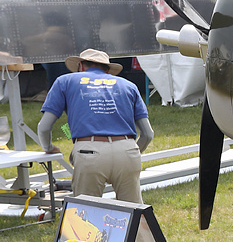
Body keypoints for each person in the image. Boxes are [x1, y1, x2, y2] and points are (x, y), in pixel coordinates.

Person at [39, 47, 153, 204]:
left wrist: (48, 147)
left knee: (86, 215)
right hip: (127, 150)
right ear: (107, 70)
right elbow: (148, 134)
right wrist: (130, 152)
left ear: (81, 66)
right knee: (135, 215)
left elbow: (44, 127)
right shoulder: (129, 85)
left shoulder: (65, 81)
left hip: (89, 151)